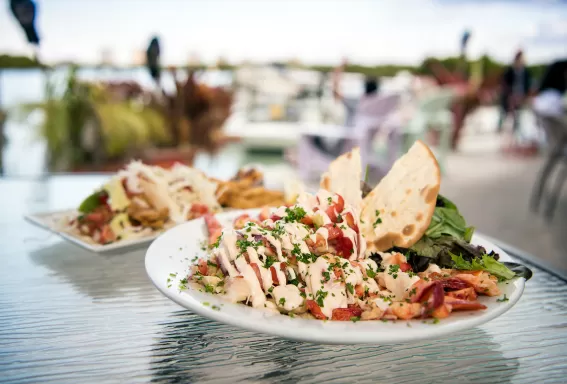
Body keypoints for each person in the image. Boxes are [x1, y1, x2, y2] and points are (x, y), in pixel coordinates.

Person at [497, 50, 532, 135]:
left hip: (520, 95)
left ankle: (516, 130)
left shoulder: (525, 71)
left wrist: (525, 95)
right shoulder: (510, 69)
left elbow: (527, 84)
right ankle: (500, 127)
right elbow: (504, 82)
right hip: (509, 95)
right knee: (504, 112)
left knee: (517, 114)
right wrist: (509, 94)